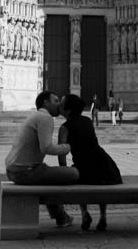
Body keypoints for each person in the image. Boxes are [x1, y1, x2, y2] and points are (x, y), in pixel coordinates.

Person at [5, 91, 78, 228]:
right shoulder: (45, 118)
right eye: (56, 101)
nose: (59, 105)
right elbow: (47, 148)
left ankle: (61, 216)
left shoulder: (35, 116)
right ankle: (61, 216)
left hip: (15, 169)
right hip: (25, 171)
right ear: (46, 102)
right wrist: (68, 147)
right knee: (74, 173)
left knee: (51, 177)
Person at [58, 94, 122, 232]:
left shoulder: (64, 128)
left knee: (79, 181)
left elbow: (62, 154)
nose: (59, 106)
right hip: (104, 161)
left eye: (62, 105)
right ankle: (103, 216)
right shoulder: (87, 120)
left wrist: (63, 171)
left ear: (68, 110)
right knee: (102, 184)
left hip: (83, 164)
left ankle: (84, 213)